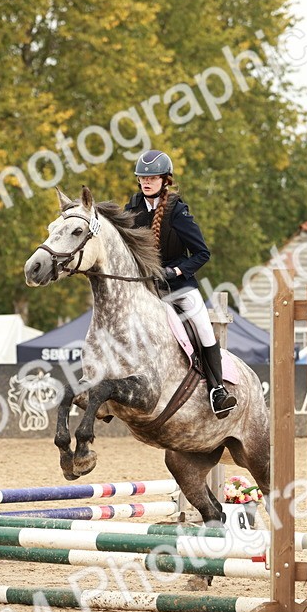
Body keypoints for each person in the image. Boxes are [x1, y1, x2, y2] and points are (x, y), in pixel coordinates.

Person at [124, 150, 236, 417]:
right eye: (142, 177)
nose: (146, 182)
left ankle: (217, 389)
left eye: (152, 177)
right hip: (144, 285)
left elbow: (202, 253)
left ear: (165, 179)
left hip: (178, 285)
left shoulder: (177, 211)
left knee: (202, 326)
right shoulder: (132, 209)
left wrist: (175, 271)